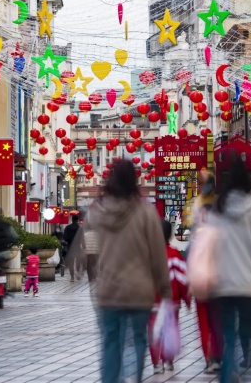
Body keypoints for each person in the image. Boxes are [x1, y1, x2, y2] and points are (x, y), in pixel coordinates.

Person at [87, 160, 170, 383]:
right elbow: (157, 253)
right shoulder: (145, 212)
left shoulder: (97, 212)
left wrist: (91, 269)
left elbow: (89, 248)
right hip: (138, 291)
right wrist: (164, 287)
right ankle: (133, 379)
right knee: (137, 340)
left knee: (111, 342)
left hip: (108, 291)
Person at [205, 153, 251, 383]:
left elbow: (209, 243)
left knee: (228, 333)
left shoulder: (219, 206)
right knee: (243, 333)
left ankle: (229, 373)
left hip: (223, 283)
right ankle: (237, 370)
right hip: (249, 284)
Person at [186, 170, 223, 374]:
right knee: (216, 320)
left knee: (205, 322)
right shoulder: (220, 231)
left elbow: (190, 258)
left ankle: (211, 357)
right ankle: (216, 356)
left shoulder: (197, 236)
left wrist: (188, 286)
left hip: (201, 281)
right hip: (218, 281)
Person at [149, 220, 191, 374]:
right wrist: (186, 299)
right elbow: (182, 278)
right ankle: (168, 360)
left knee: (154, 332)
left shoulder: (149, 255)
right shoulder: (174, 254)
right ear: (170, 234)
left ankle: (156, 364)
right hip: (172, 302)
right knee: (170, 328)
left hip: (152, 302)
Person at [63, 215, 84, 282]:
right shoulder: (80, 228)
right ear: (77, 220)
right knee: (79, 261)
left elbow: (65, 238)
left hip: (70, 247)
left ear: (72, 219)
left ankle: (72, 277)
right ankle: (77, 272)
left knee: (71, 263)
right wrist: (84, 246)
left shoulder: (67, 227)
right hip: (78, 247)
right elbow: (82, 238)